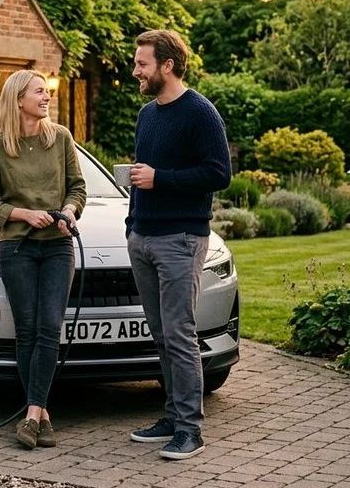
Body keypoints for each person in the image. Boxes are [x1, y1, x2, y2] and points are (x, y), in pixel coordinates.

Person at [124, 30, 231, 460]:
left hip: (181, 239)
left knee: (180, 334)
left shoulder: (200, 112)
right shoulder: (148, 114)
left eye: (142, 64)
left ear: (167, 65)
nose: (136, 70)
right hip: (143, 237)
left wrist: (160, 179)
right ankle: (171, 415)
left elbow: (218, 174)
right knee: (162, 334)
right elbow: (144, 172)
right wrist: (133, 224)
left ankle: (191, 430)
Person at [0, 69, 86, 450]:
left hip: (57, 247)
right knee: (26, 331)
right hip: (18, 248)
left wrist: (69, 211)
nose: (46, 97)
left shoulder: (60, 139)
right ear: (18, 99)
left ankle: (32, 412)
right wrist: (25, 214)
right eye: (39, 92)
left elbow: (77, 187)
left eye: (46, 91)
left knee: (49, 327)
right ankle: (41, 416)